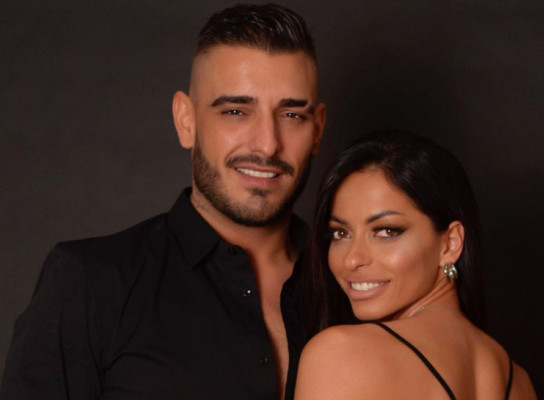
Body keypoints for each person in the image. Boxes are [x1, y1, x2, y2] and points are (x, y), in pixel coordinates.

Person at [1, 4, 325, 400]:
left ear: (318, 129)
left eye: (292, 115)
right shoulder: (89, 283)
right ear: (186, 120)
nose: (268, 144)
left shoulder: (352, 285)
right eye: (236, 111)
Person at [295, 132, 536, 399]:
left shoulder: (341, 353)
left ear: (450, 243)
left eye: (387, 231)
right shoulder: (519, 382)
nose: (352, 259)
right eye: (340, 233)